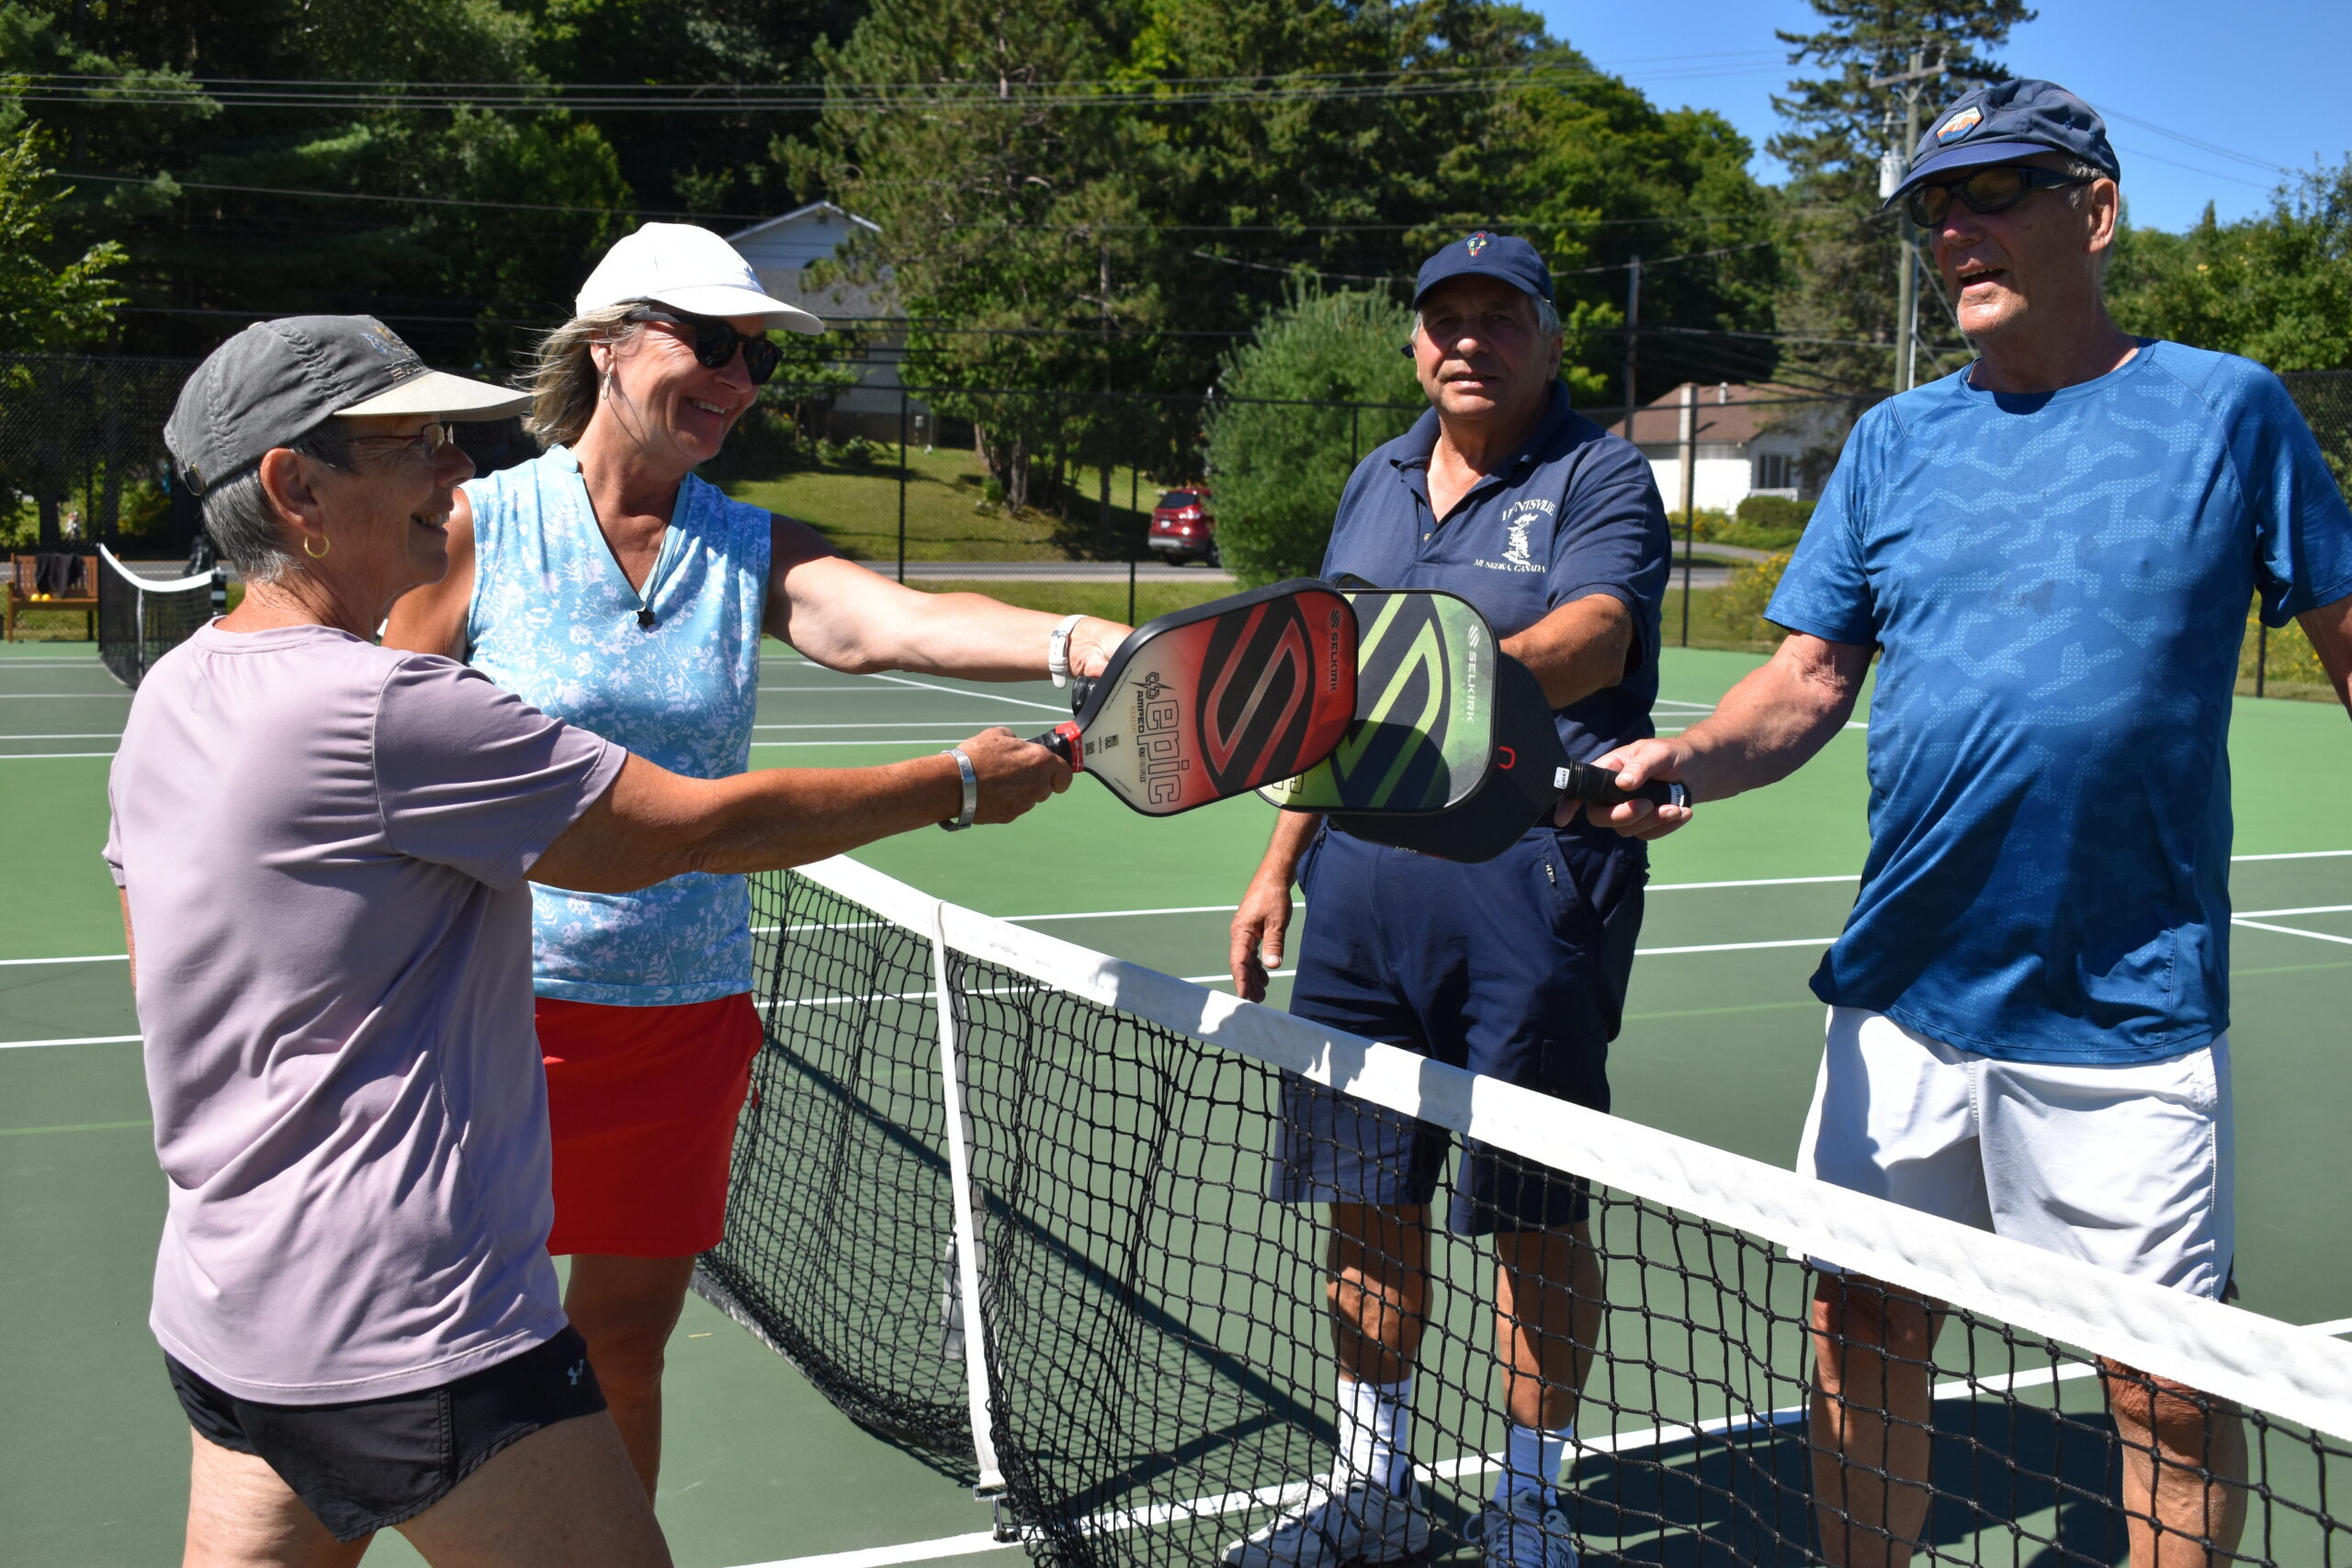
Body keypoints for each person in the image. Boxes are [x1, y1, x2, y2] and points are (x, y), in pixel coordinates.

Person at [119, 315, 1072, 1567]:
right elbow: (683, 830)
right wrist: (953, 783)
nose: (454, 472)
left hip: (230, 1310)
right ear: (295, 487)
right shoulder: (392, 711)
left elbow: (166, 972)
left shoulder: (178, 694)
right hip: (415, 1329)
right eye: (410, 445)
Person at [1587, 81, 2352, 1568]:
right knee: (1861, 1322)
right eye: (1939, 205)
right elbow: (1805, 682)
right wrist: (1683, 752)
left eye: (1994, 192)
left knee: (2167, 1389)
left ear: (2097, 212)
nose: (1956, 227)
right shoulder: (1892, 447)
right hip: (1903, 1000)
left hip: (2126, 1010)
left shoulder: (2229, 410)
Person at [380, 220, 1128, 1498]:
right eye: (712, 343)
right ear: (608, 344)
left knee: (621, 1346)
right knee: (437, 1359)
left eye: (759, 360)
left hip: (681, 1021)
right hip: (489, 1010)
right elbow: (375, 750)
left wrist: (1078, 643)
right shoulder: (472, 530)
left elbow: (903, 621)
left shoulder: (750, 545)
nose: (738, 379)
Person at [1221, 233, 1670, 1568]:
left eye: (1497, 316)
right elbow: (1324, 685)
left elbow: (1595, 636)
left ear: (1545, 335)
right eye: (1443, 319)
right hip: (1360, 891)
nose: (1465, 340)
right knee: (1366, 1198)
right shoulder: (1376, 477)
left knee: (1532, 1211)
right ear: (1415, 340)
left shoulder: (1600, 472)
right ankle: (1377, 1487)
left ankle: (1527, 1502)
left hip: (1530, 888)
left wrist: (1437, 683)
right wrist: (1277, 860)